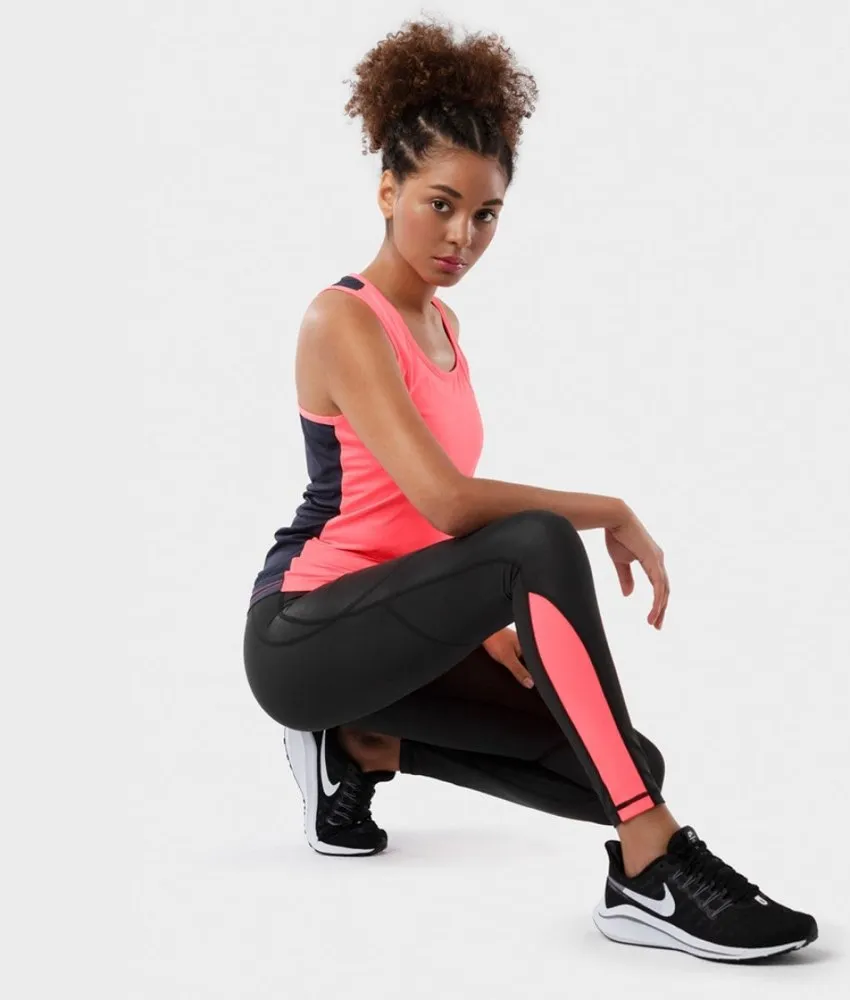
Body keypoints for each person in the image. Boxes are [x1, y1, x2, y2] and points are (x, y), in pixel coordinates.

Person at [242, 15, 818, 962]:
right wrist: (610, 513)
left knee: (620, 760)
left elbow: (415, 523)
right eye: (440, 204)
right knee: (540, 541)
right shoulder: (341, 319)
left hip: (388, 640)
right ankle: (651, 866)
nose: (461, 236)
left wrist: (480, 623)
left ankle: (361, 748)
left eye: (486, 214)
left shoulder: (446, 330)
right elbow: (448, 505)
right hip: (302, 636)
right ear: (386, 191)